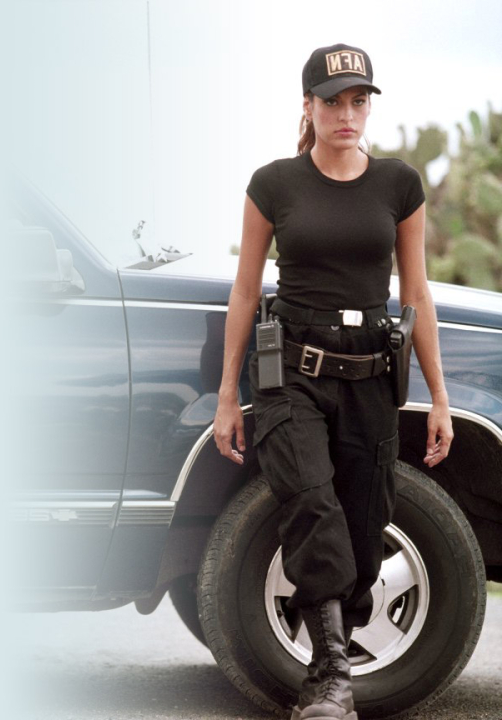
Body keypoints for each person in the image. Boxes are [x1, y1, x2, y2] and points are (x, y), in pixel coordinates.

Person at [212, 43, 454, 720]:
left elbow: (417, 295)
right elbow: (244, 291)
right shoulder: (273, 184)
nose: (347, 114)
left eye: (359, 100)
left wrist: (439, 396)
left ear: (368, 106)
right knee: (312, 505)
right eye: (333, 101)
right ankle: (330, 682)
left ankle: (332, 659)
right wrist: (229, 394)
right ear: (308, 106)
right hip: (290, 372)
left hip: (371, 374)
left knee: (364, 525)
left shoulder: (400, 184)